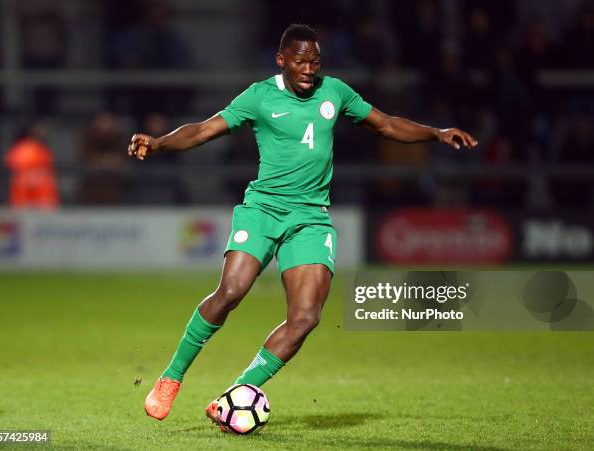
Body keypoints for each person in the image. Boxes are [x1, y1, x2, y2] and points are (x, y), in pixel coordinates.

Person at [128, 24, 477, 424]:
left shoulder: (336, 92)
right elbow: (205, 129)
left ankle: (238, 392)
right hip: (263, 210)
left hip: (310, 219)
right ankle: (171, 378)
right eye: (300, 61)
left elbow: (386, 124)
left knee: (306, 317)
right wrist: (159, 142)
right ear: (281, 60)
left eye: (315, 61)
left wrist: (437, 133)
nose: (309, 69)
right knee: (231, 291)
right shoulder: (260, 96)